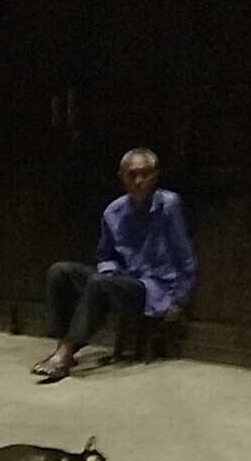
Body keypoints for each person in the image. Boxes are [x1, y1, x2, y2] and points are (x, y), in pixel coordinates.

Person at [33, 148, 197, 382]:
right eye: (132, 175)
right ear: (121, 178)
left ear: (155, 176)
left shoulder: (168, 205)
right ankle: (61, 345)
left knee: (100, 283)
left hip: (152, 288)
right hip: (121, 278)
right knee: (60, 271)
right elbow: (105, 255)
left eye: (145, 174)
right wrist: (110, 271)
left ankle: (65, 354)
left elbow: (185, 257)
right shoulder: (113, 211)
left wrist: (179, 299)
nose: (139, 181)